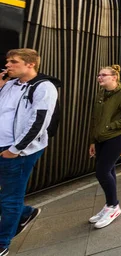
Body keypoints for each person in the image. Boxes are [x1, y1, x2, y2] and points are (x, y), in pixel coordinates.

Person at [0, 49, 59, 255]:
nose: (7, 65)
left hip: (18, 152)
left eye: (13, 62)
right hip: (2, 147)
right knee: (9, 197)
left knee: (10, 198)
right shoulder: (9, 85)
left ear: (30, 64)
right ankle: (25, 213)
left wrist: (15, 150)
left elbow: (39, 122)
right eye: (7, 62)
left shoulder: (44, 87)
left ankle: (2, 243)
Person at [88, 65, 121, 229]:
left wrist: (110, 127)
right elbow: (95, 119)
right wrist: (93, 140)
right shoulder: (101, 93)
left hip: (118, 137)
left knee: (102, 172)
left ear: (114, 77)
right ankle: (109, 205)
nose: (99, 78)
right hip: (101, 138)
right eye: (98, 75)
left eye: (103, 75)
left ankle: (113, 205)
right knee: (109, 170)